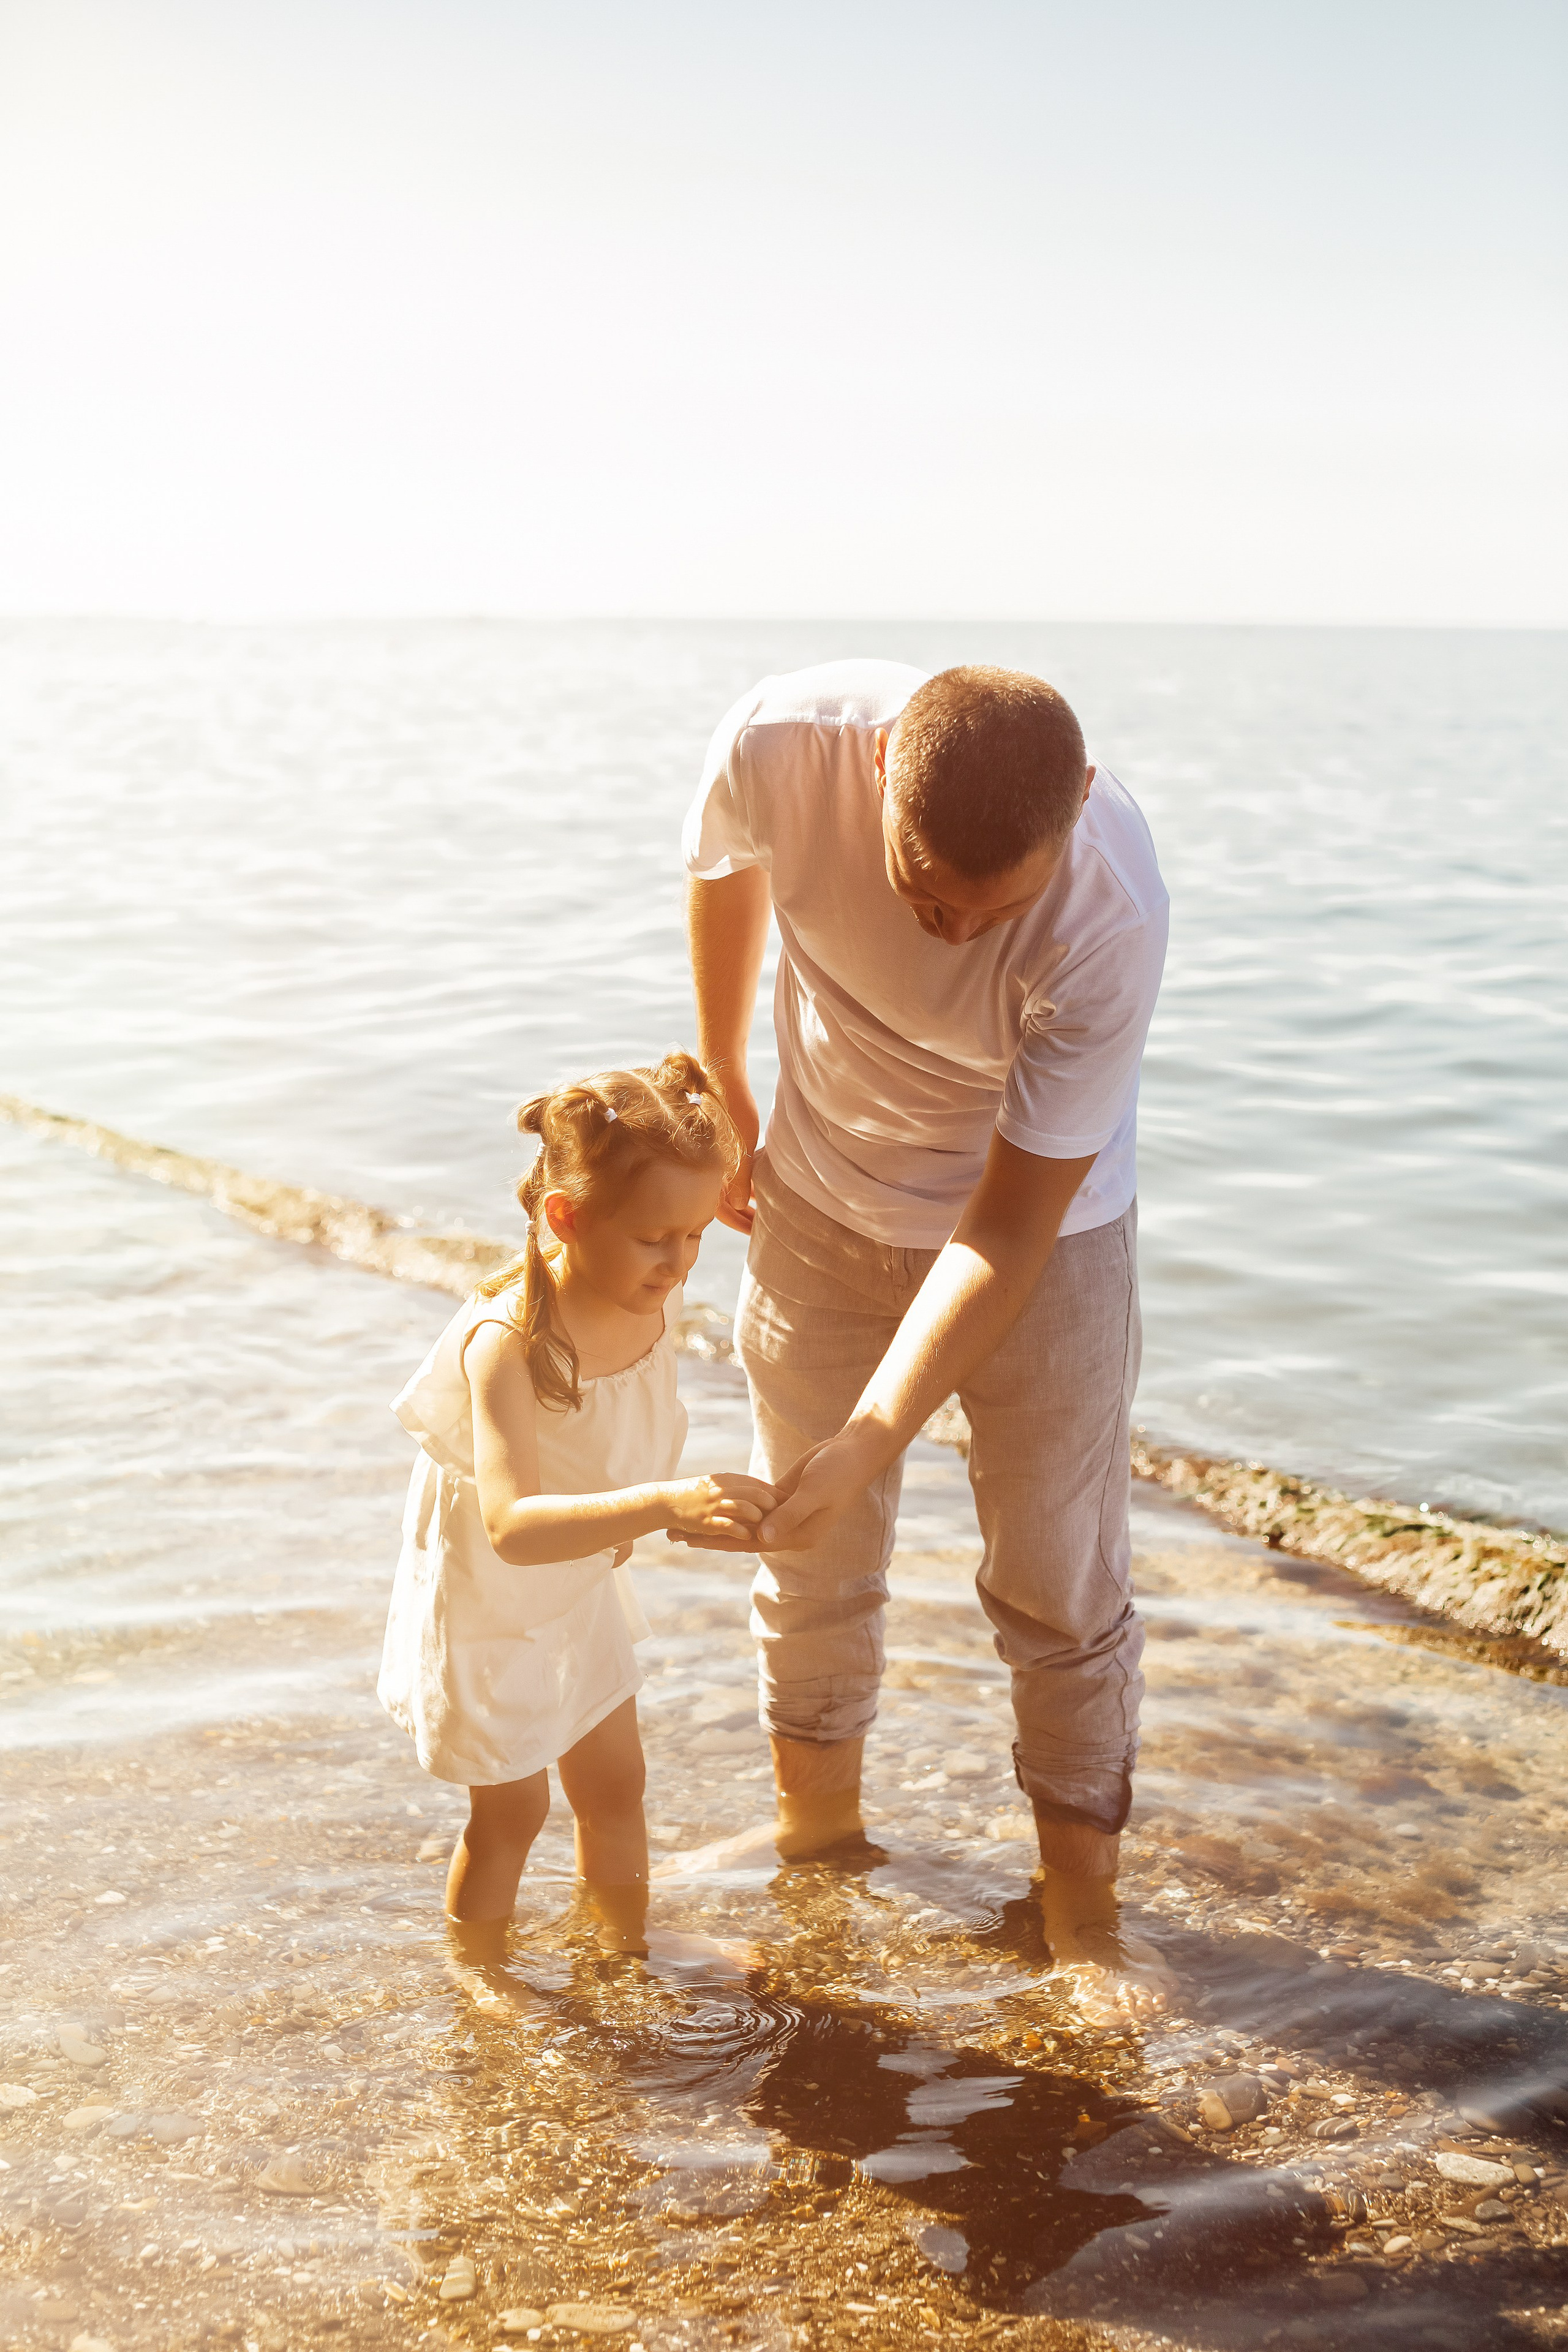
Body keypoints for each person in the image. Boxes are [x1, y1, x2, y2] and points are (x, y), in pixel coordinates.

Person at [680, 660, 1173, 2020]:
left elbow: (1005, 1233)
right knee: (809, 1540)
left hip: (1042, 1235)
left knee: (1056, 1576)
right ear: (881, 763)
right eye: (919, 886)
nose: (950, 928)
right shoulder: (782, 744)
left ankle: (1079, 1904)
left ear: (1075, 810)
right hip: (819, 1193)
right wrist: (724, 1063)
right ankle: (815, 1840)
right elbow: (721, 860)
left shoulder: (1109, 914)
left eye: (986, 907)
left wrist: (878, 1431)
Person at [377, 1050, 774, 1976]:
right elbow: (514, 1526)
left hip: (582, 1582)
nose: (677, 1264)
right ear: (565, 1216)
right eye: (653, 1239)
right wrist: (662, 1501)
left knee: (615, 1783)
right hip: (494, 1606)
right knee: (514, 1811)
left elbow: (626, 1441)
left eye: (694, 1239)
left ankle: (622, 1953)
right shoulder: (509, 1344)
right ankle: (480, 1976)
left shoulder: (644, 1292)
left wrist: (675, 1515)